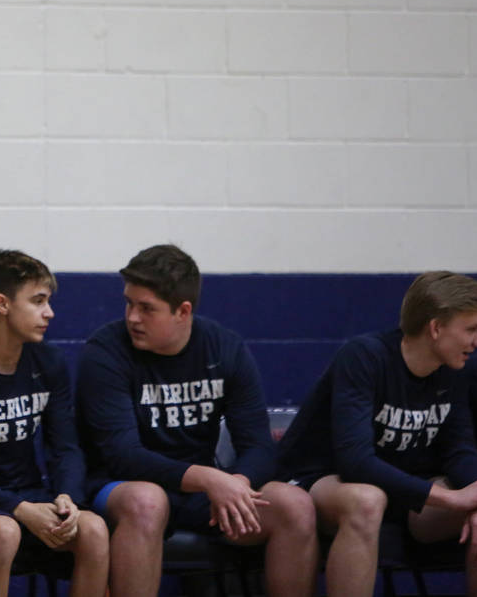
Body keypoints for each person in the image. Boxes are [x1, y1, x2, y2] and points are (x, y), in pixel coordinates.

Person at [77, 244, 317, 597]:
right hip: (122, 486)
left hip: (201, 493)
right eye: (129, 303)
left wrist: (237, 481)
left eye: (147, 309)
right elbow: (121, 454)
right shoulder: (105, 352)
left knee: (294, 505)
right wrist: (208, 479)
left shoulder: (224, 349)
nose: (132, 317)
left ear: (182, 311)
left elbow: (258, 445)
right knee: (148, 501)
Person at [278, 271, 477, 597]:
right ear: (436, 328)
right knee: (367, 500)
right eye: (471, 329)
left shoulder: (454, 368)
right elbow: (354, 462)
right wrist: (452, 498)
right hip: (324, 479)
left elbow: (460, 448)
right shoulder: (365, 356)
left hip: (406, 488)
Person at [0, 249, 109, 597]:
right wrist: (19, 510)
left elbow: (65, 447)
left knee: (95, 530)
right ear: (2, 304)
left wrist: (67, 497)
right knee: (5, 532)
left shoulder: (49, 362)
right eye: (38, 301)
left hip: (30, 494)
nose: (50, 313)